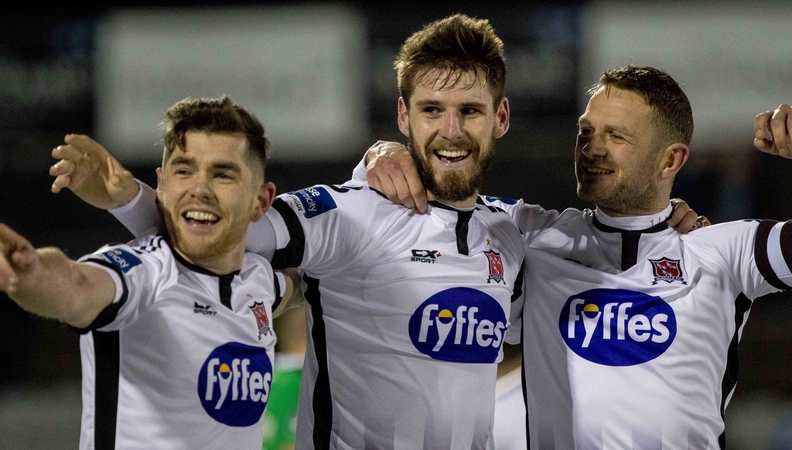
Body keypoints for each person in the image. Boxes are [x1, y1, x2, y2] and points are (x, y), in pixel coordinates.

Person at [49, 14, 526, 449]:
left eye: (469, 111)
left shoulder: (515, 232)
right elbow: (220, 235)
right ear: (404, 116)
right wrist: (126, 196)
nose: (450, 129)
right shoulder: (347, 211)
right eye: (431, 110)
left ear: (500, 117)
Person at [361, 66, 792, 448]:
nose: (591, 149)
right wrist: (384, 155)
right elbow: (434, 191)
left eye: (617, 136)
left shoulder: (726, 251)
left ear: (671, 161)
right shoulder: (531, 235)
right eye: (586, 132)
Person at [1, 95, 304, 449]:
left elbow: (298, 285)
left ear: (261, 202)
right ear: (161, 185)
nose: (199, 190)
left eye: (223, 174)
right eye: (183, 170)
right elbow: (77, 285)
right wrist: (30, 272)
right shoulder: (143, 271)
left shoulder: (258, 279)